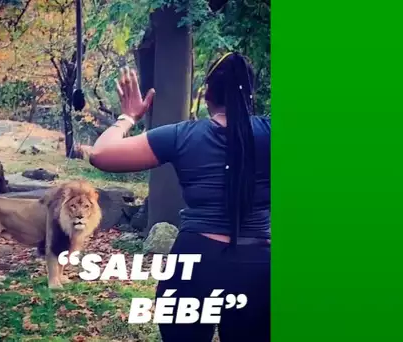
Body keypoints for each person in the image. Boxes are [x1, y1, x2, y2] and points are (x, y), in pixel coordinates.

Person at [89, 52, 270, 341]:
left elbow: (100, 154)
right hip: (260, 268)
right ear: (251, 93)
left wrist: (128, 116)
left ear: (208, 93)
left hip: (195, 263)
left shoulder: (181, 135)